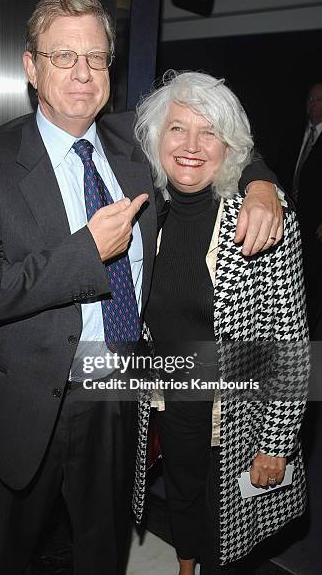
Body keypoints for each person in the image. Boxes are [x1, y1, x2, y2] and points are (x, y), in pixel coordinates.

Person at [0, 0, 282, 575]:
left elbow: (212, 138)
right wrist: (86, 254)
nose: (83, 74)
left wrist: (261, 185)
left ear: (109, 65)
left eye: (96, 58)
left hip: (117, 390)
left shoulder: (137, 144)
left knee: (102, 549)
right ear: (31, 66)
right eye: (63, 57)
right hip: (25, 401)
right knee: (8, 554)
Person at [133, 71, 309, 575]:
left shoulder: (260, 217)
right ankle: (185, 565)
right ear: (155, 138)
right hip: (171, 401)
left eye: (209, 131)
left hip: (235, 412)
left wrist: (276, 442)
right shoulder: (144, 211)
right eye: (177, 129)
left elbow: (290, 343)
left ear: (229, 145)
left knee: (226, 525)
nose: (191, 145)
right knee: (183, 497)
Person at [290, 83, 322, 332]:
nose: (312, 104)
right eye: (309, 98)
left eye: (318, 99)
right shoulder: (291, 133)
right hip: (292, 224)